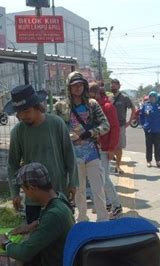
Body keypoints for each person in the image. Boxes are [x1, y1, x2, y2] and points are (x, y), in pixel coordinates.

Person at [5, 85, 78, 224]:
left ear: (37, 106)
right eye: (19, 112)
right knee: (37, 238)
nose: (22, 116)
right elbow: (12, 164)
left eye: (26, 111)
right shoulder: (18, 132)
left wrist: (73, 183)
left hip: (58, 193)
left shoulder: (57, 124)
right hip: (33, 199)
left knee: (63, 236)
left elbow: (70, 156)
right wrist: (14, 193)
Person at [54, 72, 110, 222]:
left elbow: (106, 125)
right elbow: (56, 128)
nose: (78, 88)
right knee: (78, 191)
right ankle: (82, 219)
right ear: (69, 87)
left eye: (80, 85)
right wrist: (68, 136)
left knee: (98, 188)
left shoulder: (92, 104)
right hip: (73, 155)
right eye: (74, 85)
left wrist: (90, 133)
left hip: (92, 152)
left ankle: (103, 219)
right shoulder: (60, 106)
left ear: (84, 86)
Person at [0, 163, 74, 266]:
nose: (25, 194)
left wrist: (5, 243)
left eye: (24, 189)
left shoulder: (53, 215)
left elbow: (24, 253)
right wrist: (36, 224)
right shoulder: (60, 198)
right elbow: (55, 223)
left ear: (32, 188)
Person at [88, 82, 123, 219]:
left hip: (104, 148)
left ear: (96, 93)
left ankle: (117, 206)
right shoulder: (92, 107)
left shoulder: (108, 107)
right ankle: (107, 204)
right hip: (95, 148)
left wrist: (111, 149)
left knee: (104, 179)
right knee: (98, 178)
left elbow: (115, 128)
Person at [110, 79, 136, 174]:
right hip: (109, 126)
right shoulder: (109, 98)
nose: (112, 86)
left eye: (115, 85)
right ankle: (112, 165)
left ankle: (118, 166)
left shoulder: (124, 98)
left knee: (119, 147)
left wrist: (129, 122)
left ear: (119, 86)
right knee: (110, 146)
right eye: (111, 85)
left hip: (120, 126)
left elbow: (133, 109)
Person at [139, 91, 160, 168]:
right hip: (148, 129)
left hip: (158, 129)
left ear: (156, 97)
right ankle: (149, 161)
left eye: (153, 96)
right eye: (150, 96)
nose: (152, 98)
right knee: (148, 146)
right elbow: (141, 115)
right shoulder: (146, 105)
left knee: (157, 146)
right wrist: (143, 124)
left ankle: (158, 161)